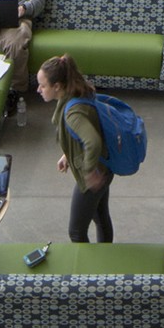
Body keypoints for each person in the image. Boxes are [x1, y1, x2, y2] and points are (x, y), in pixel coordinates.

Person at [39, 55, 114, 244]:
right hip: (105, 166)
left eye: (43, 85)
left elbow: (93, 141)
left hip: (95, 174)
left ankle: (87, 271)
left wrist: (89, 172)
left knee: (76, 232)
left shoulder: (72, 112)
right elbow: (83, 132)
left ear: (57, 86)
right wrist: (67, 154)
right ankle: (105, 260)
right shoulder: (73, 94)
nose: (38, 89)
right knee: (100, 215)